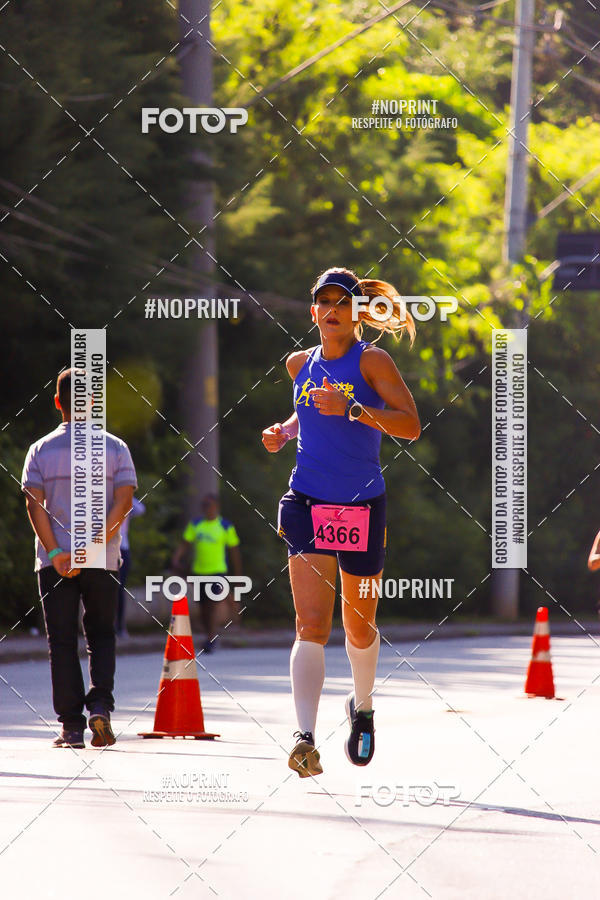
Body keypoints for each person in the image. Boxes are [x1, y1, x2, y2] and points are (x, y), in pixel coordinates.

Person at [262, 266, 420, 778]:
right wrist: (284, 432)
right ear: (313, 312)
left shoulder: (371, 360)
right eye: (323, 302)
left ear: (357, 313)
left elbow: (411, 426)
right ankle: (304, 738)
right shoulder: (296, 364)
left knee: (358, 625)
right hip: (306, 499)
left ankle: (363, 706)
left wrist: (353, 409)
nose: (332, 310)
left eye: (342, 302)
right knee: (310, 625)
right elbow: (307, 415)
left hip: (360, 505)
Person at [21, 368, 137, 749]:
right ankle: (100, 706)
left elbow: (33, 504)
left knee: (62, 642)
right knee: (102, 635)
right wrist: (94, 544)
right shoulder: (116, 447)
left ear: (58, 402)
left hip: (54, 562)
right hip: (102, 560)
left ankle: (71, 727)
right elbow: (123, 503)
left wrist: (56, 552)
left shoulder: (40, 450)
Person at [172, 493, 243, 652]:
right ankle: (209, 635)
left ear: (216, 506)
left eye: (208, 505)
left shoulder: (225, 526)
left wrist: (238, 575)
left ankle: (211, 638)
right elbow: (185, 543)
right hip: (198, 572)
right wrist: (176, 558)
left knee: (211, 605)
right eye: (203, 505)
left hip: (217, 572)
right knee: (203, 607)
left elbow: (234, 552)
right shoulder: (196, 525)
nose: (206, 508)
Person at [116, 495, 146, 638]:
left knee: (119, 588)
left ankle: (119, 626)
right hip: (102, 548)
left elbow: (140, 509)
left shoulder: (123, 498)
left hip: (122, 548)